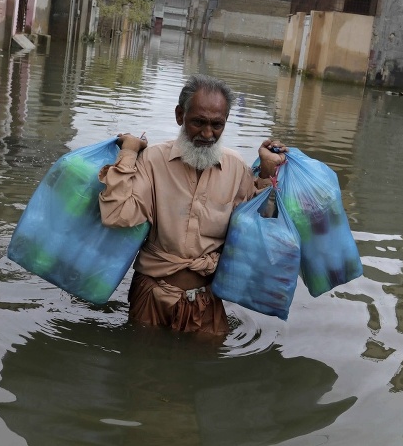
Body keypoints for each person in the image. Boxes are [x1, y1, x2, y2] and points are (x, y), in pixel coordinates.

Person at [98, 74, 287, 335]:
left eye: (217, 125)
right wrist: (129, 153)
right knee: (142, 369)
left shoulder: (236, 168)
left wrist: (267, 173)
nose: (208, 134)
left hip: (208, 300)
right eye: (198, 122)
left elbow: (259, 231)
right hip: (151, 295)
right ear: (180, 116)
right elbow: (117, 215)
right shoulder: (152, 160)